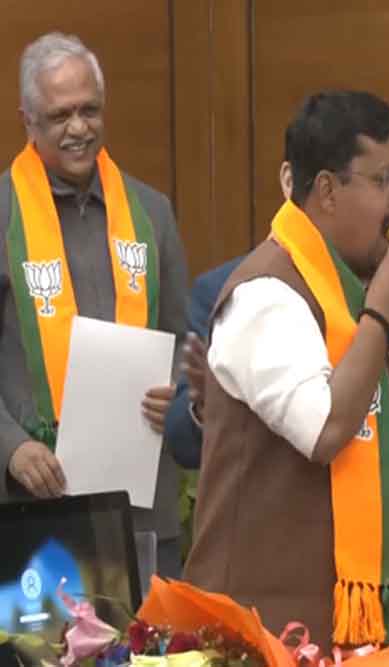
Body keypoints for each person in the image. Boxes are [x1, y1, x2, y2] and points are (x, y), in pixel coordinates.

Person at [182, 91, 389, 656]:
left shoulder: (358, 292)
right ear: (327, 190)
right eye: (384, 179)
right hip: (270, 634)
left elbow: (367, 454)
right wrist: (381, 317)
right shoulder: (266, 296)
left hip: (360, 634)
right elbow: (324, 430)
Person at [0, 32, 189, 576]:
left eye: (89, 110)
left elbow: (185, 341)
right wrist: (10, 447)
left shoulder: (152, 213)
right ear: (27, 121)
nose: (79, 128)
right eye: (60, 116)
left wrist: (178, 393)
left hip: (143, 507)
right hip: (31, 500)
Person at [164, 161, 389, 471]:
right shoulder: (231, 292)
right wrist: (209, 408)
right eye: (379, 179)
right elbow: (181, 440)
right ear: (290, 181)